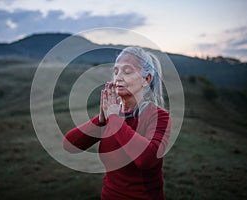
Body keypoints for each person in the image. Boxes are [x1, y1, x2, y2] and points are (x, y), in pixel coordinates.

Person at [63, 47, 171, 200]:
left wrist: (114, 119)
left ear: (146, 80)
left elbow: (147, 159)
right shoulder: (111, 117)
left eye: (127, 72)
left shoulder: (158, 117)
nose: (118, 77)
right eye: (115, 72)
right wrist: (100, 120)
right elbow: (69, 145)